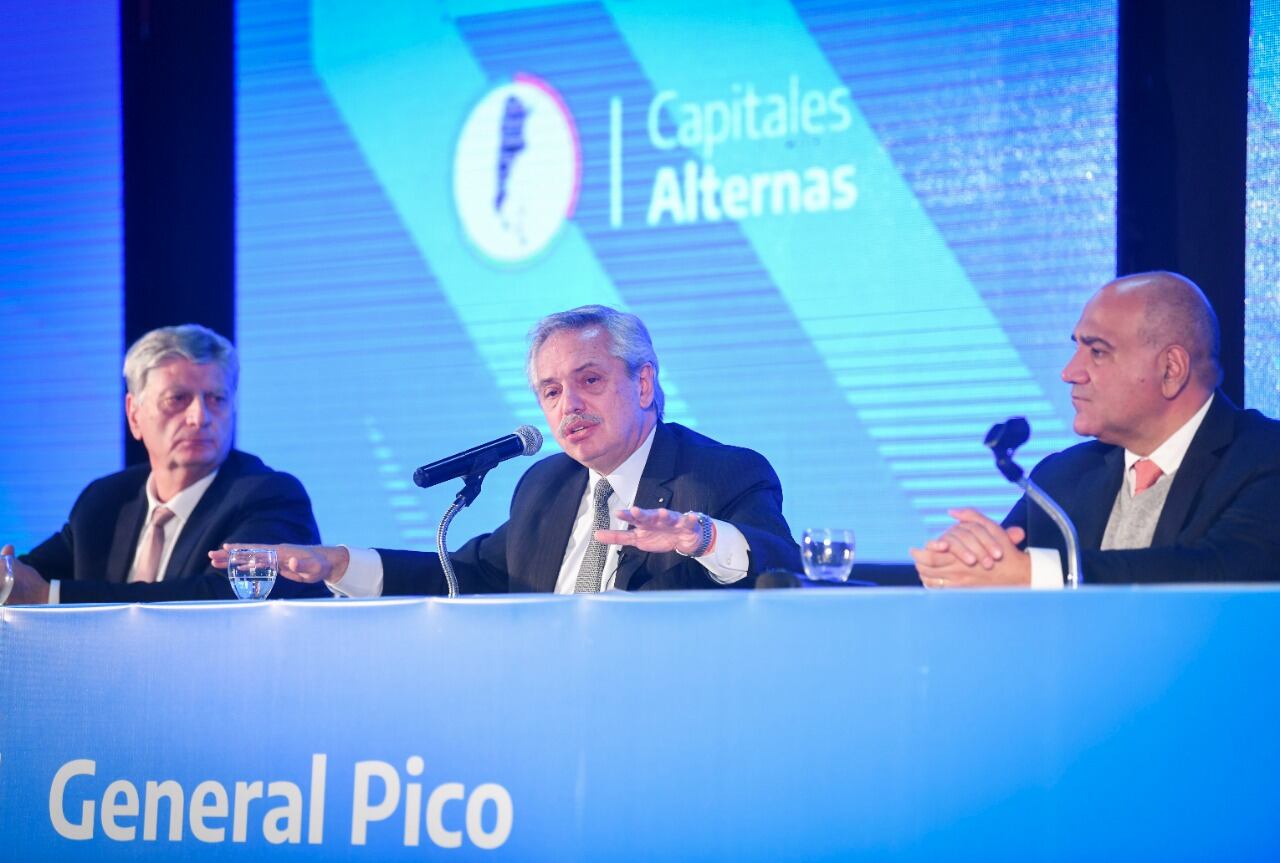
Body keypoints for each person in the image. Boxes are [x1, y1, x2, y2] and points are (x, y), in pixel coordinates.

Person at [212, 305, 800, 595]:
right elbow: (465, 573)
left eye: (589, 380)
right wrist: (339, 563)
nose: (568, 405)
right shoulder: (546, 487)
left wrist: (700, 537)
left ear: (643, 383)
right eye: (551, 391)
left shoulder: (721, 475)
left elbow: (782, 569)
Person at [911, 271, 1280, 588]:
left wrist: (1036, 575)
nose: (1070, 373)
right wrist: (966, 562)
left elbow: (1222, 570)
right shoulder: (1062, 476)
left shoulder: (1264, 457)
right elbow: (1009, 571)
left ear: (1171, 369)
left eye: (1098, 352)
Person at [2, 324, 325, 604]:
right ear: (134, 414)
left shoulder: (270, 497)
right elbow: (29, 576)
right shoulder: (107, 499)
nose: (199, 418)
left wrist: (50, 597)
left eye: (217, 399)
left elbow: (224, 599)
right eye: (177, 399)